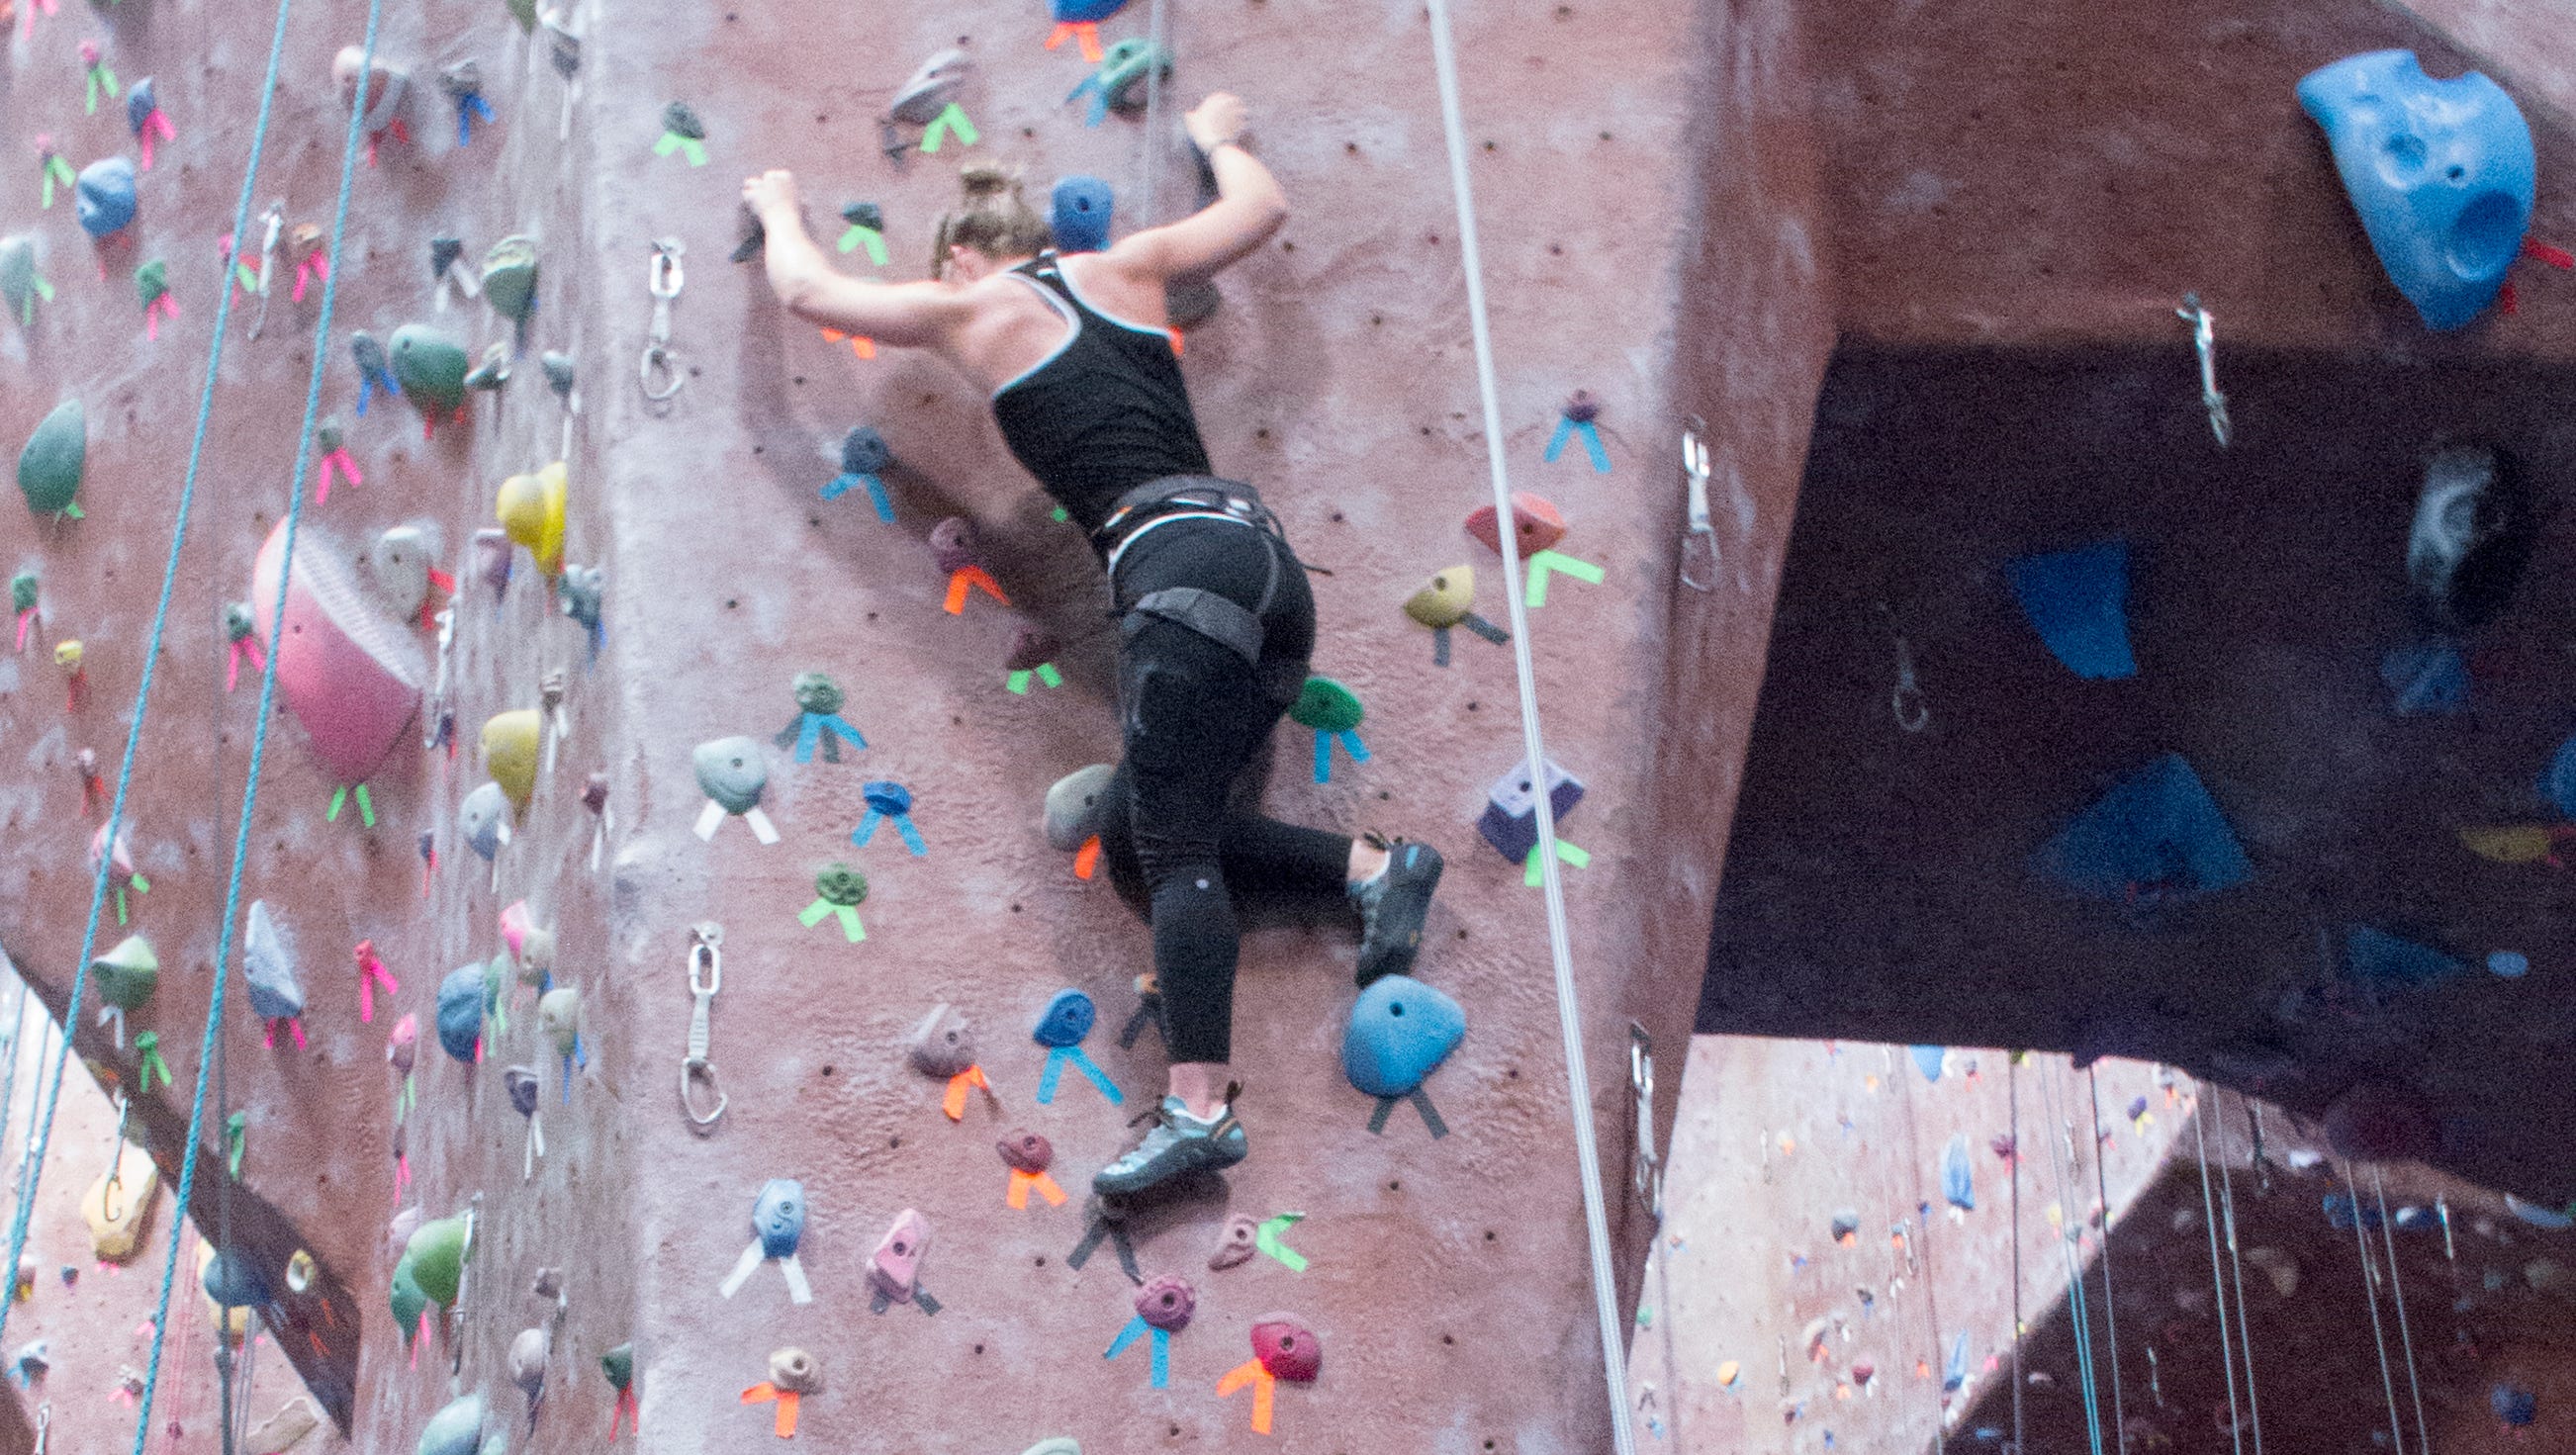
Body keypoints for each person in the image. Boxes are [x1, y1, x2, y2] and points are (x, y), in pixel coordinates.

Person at [743, 92, 1443, 1198]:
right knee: (1138, 834)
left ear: (964, 257)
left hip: (1171, 574)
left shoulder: (968, 304)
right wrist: (1220, 135)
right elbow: (1261, 208)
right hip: (1263, 568)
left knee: (1174, 854)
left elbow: (808, 292)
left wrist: (779, 205)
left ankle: (1199, 1111)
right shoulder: (1130, 264)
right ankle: (1371, 872)